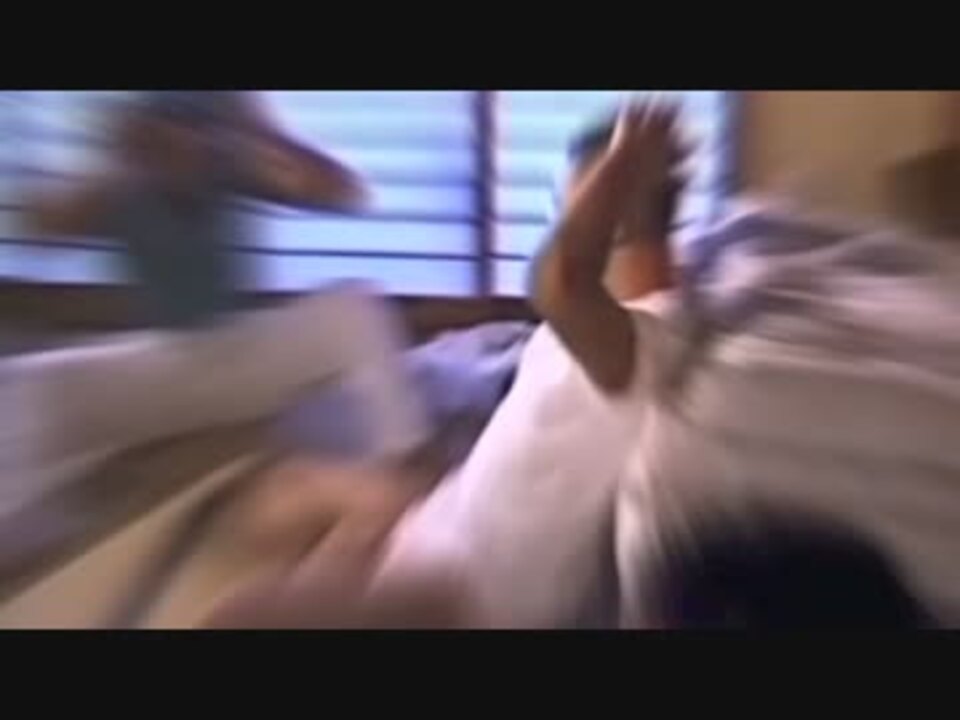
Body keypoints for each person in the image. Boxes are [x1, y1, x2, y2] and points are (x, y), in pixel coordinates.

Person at [24, 91, 368, 329]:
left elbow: (345, 194)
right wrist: (124, 159)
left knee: (352, 316)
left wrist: (264, 133)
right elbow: (44, 225)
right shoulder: (126, 177)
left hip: (235, 347)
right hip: (150, 355)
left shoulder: (230, 163)